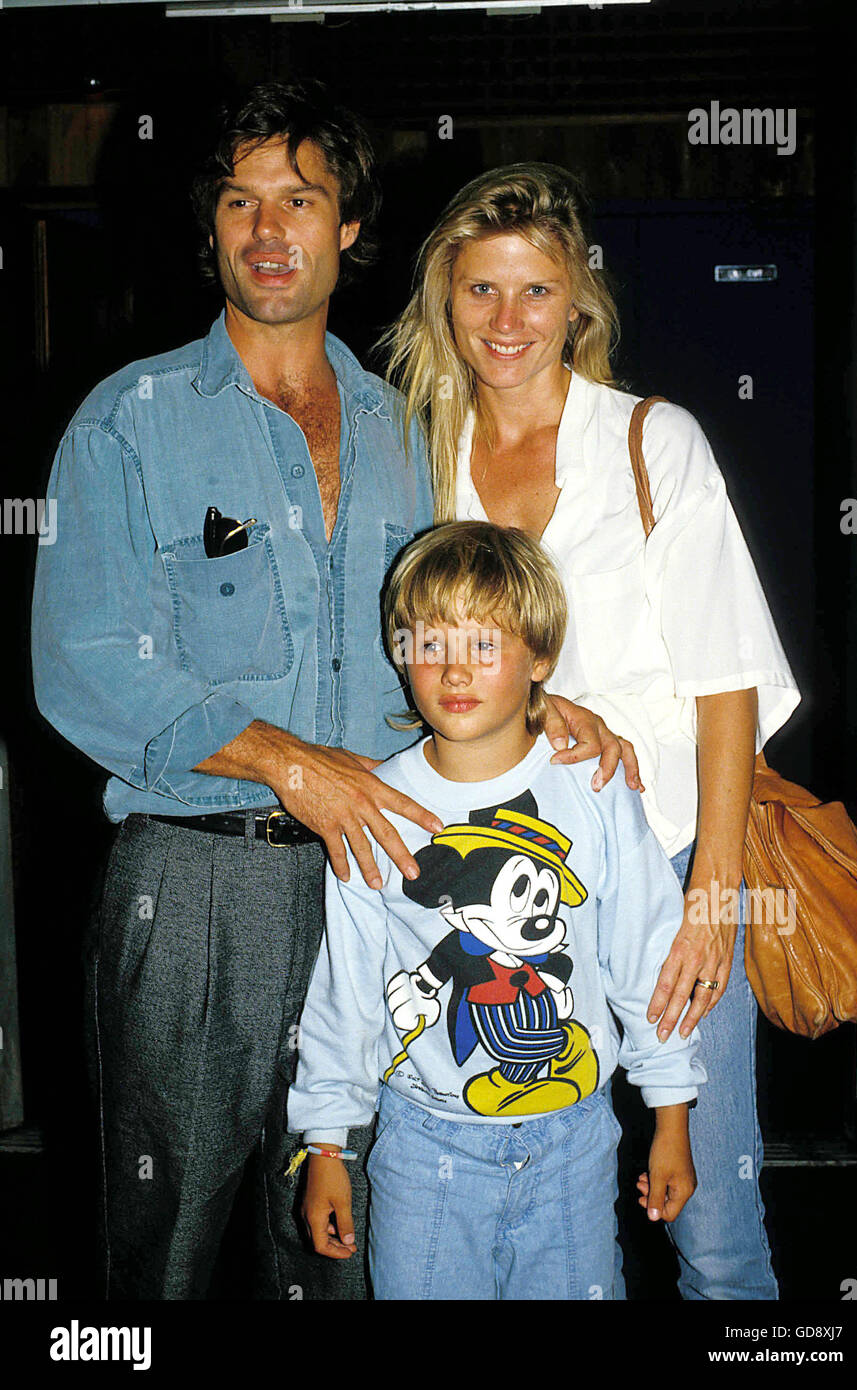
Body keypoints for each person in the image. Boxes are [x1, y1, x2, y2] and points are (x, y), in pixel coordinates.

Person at [31, 89, 634, 1301]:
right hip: (198, 880)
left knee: (342, 1243)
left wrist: (532, 702)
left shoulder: (413, 423)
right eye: (239, 200)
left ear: (349, 226)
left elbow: (460, 619)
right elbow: (84, 658)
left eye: (299, 200)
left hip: (388, 883)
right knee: (164, 1248)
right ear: (205, 227)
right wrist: (284, 761)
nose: (268, 229)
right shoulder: (126, 421)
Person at [385, 163, 801, 1300]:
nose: (506, 321)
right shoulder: (421, 452)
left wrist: (710, 900)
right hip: (507, 883)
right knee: (523, 1210)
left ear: (577, 303)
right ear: (445, 299)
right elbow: (428, 651)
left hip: (665, 864)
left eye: (532, 292)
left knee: (712, 1226)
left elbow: (728, 686)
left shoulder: (650, 442)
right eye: (479, 291)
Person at [289, 521, 704, 1300]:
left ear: (540, 658)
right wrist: (324, 1147)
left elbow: (645, 958)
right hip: (421, 1149)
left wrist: (670, 1116)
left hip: (577, 1142)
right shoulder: (373, 808)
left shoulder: (596, 788)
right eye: (429, 642)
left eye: (485, 645)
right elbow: (344, 993)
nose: (453, 669)